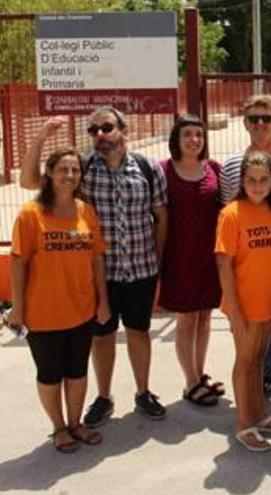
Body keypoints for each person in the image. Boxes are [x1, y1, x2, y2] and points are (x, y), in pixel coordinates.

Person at [20, 107, 170, 426]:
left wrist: (158, 259)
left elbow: (161, 216)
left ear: (123, 130)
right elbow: (30, 180)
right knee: (102, 337)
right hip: (99, 274)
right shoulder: (83, 168)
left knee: (139, 333)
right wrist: (41, 137)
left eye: (106, 128)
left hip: (141, 268)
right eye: (93, 130)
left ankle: (143, 392)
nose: (100, 135)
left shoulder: (147, 167)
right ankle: (104, 396)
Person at [7, 148, 110, 452]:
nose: (69, 175)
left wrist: (102, 301)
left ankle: (76, 423)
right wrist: (18, 308)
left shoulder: (85, 211)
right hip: (43, 314)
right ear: (49, 173)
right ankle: (58, 427)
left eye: (75, 170)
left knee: (77, 371)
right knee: (50, 374)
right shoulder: (30, 214)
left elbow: (97, 260)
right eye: (63, 169)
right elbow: (17, 263)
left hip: (81, 309)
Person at [218, 94, 271, 400]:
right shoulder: (231, 166)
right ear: (244, 123)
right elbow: (229, 210)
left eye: (266, 118)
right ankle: (263, 375)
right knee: (257, 319)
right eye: (253, 118)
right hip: (252, 256)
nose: (260, 124)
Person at [215, 150, 271, 452]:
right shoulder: (231, 214)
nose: (257, 185)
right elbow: (223, 265)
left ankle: (259, 415)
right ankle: (243, 424)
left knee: (258, 360)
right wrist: (234, 312)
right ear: (242, 181)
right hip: (243, 305)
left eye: (263, 180)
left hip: (267, 302)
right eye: (251, 180)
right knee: (244, 362)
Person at [159, 114, 224, 407]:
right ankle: (189, 382)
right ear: (177, 138)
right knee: (186, 320)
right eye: (187, 134)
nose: (194, 140)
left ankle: (200, 374)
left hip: (209, 257)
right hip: (179, 258)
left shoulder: (213, 169)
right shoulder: (163, 171)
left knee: (205, 316)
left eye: (199, 134)